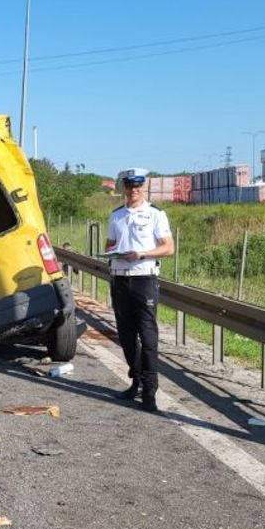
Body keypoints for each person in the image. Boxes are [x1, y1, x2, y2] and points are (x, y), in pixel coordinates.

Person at [105, 168, 175, 412]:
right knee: (125, 336)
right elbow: (110, 244)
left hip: (144, 279)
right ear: (124, 188)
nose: (133, 191)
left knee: (147, 337)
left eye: (137, 187)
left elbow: (168, 248)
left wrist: (142, 253)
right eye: (129, 186)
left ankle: (150, 390)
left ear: (143, 188)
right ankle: (135, 381)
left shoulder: (156, 214)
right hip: (120, 279)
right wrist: (116, 252)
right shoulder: (116, 216)